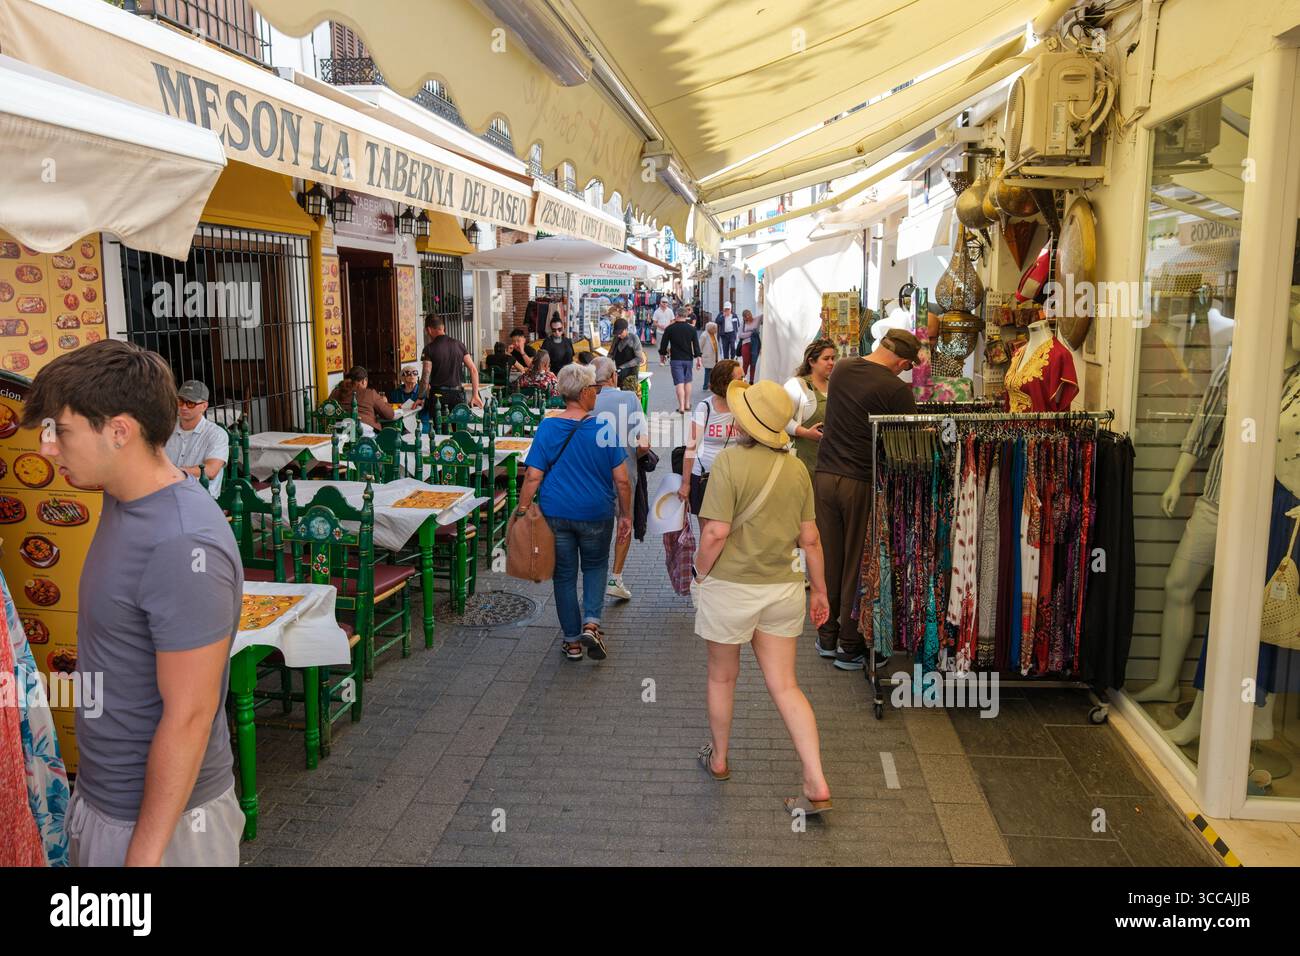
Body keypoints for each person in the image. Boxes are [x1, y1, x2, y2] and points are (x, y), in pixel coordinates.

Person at [20, 340, 243, 866]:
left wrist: (141, 860)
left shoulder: (182, 543)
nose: (48, 448)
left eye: (61, 431)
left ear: (120, 431)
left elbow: (190, 715)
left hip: (160, 825)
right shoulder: (119, 496)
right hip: (104, 798)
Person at [690, 378, 832, 816]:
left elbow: (714, 531)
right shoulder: (797, 470)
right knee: (786, 686)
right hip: (783, 589)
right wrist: (820, 591)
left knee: (722, 678)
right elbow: (810, 540)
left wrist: (698, 571)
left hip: (731, 588)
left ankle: (718, 759)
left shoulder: (729, 463)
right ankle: (816, 780)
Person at [815, 327, 920, 670]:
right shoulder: (895, 389)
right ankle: (849, 644)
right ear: (902, 361)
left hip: (825, 476)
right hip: (859, 481)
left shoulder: (843, 367)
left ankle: (826, 636)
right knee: (855, 563)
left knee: (830, 558)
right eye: (906, 367)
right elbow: (911, 443)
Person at [516, 363, 632, 662]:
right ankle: (591, 623)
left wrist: (523, 509)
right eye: (593, 388)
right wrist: (626, 516)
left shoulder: (549, 426)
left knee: (564, 576)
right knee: (595, 567)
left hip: (557, 514)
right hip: (596, 513)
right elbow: (621, 479)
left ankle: (572, 642)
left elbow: (533, 476)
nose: (596, 393)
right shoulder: (605, 427)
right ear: (583, 393)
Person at [592, 357, 650, 601]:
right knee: (624, 521)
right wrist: (632, 456)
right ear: (613, 376)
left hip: (592, 474)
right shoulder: (629, 399)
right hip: (624, 472)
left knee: (595, 526)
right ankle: (615, 577)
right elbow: (644, 445)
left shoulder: (586, 401)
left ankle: (594, 576)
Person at [679, 360, 743, 521]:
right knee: (709, 533)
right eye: (740, 379)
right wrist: (686, 484)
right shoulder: (705, 408)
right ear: (724, 382)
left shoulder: (744, 407)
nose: (744, 383)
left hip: (735, 479)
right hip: (705, 478)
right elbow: (691, 447)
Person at [164, 379, 228, 500]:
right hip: (168, 494)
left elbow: (211, 471)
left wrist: (174, 472)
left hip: (201, 498)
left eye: (190, 403)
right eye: (180, 401)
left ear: (204, 406)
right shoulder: (166, 429)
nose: (183, 407)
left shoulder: (216, 434)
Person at [783, 338, 836, 476]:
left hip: (830, 463)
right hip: (802, 463)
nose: (831, 362)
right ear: (811, 361)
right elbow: (782, 420)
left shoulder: (835, 386)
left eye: (833, 358)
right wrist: (806, 433)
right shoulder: (797, 385)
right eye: (826, 358)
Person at [420, 314, 483, 413]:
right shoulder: (459, 345)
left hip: (438, 396)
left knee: (439, 427)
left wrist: (421, 397)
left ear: (429, 330)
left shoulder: (429, 348)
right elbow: (473, 370)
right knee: (459, 426)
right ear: (443, 327)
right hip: (457, 395)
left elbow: (426, 375)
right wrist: (475, 395)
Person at [658, 307, 702, 414]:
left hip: (676, 359)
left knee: (679, 383)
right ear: (686, 316)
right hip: (688, 359)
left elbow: (663, 345)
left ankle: (681, 406)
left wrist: (662, 356)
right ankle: (687, 404)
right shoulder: (692, 329)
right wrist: (699, 359)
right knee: (688, 382)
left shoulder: (670, 328)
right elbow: (696, 345)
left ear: (677, 315)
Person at [329, 365, 396, 434]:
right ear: (364, 381)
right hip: (362, 432)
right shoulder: (370, 393)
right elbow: (390, 415)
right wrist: (384, 402)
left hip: (338, 432)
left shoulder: (335, 392)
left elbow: (328, 410)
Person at [610, 316, 645, 391]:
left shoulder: (634, 338)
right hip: (618, 373)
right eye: (617, 333)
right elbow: (610, 354)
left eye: (620, 333)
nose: (619, 335)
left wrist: (623, 367)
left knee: (627, 398)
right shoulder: (616, 339)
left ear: (626, 329)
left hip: (630, 375)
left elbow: (639, 359)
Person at [739, 309, 762, 383]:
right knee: (745, 364)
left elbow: (765, 314)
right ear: (744, 317)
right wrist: (751, 333)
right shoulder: (743, 323)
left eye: (749, 314)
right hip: (746, 344)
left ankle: (751, 382)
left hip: (756, 344)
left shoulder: (757, 319)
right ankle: (742, 380)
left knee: (753, 363)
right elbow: (740, 335)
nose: (749, 316)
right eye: (746, 316)